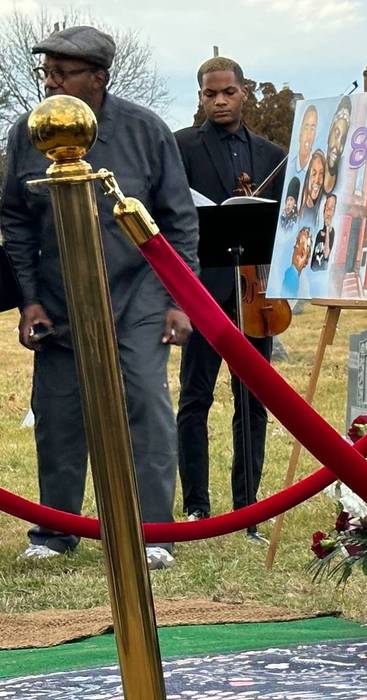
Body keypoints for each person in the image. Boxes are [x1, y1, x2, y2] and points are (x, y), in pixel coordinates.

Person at [2, 25, 198, 568]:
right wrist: (29, 300)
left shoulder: (145, 131)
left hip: (139, 293)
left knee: (145, 406)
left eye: (62, 74)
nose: (50, 84)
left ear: (98, 79)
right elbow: (15, 222)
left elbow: (178, 224)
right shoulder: (27, 133)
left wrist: (178, 301)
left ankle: (153, 533)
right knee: (59, 413)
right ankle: (54, 532)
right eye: (46, 73)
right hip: (60, 298)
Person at [174, 56, 286, 544]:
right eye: (209, 94)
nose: (219, 101)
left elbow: (288, 221)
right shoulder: (181, 147)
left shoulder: (271, 155)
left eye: (228, 92)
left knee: (252, 401)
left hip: (253, 294)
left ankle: (248, 510)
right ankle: (198, 507)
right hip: (202, 291)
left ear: (244, 93)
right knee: (194, 398)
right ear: (200, 96)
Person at [323, 97, 351, 194]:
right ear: (330, 131)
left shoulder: (343, 182)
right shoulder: (315, 172)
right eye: (337, 134)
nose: (337, 146)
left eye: (343, 139)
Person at [311, 193, 337, 272]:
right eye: (327, 208)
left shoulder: (332, 232)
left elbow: (326, 254)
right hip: (313, 269)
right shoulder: (318, 232)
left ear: (334, 212)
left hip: (322, 272)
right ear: (324, 210)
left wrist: (328, 228)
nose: (328, 212)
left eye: (331, 208)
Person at [294, 104, 318, 175]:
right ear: (300, 131)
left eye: (312, 129)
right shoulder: (289, 166)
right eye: (306, 128)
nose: (309, 134)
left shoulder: (317, 171)